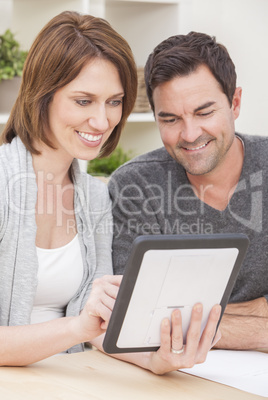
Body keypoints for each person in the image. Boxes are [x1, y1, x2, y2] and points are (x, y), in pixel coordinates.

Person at [0, 12, 221, 373]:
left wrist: (155, 359)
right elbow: (82, 326)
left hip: (71, 380)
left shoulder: (93, 197)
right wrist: (76, 328)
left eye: (114, 101)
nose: (102, 122)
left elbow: (98, 324)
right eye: (84, 101)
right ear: (43, 95)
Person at [109, 31, 268, 351]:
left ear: (234, 103)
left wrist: (184, 318)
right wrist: (259, 313)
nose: (190, 134)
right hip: (169, 378)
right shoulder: (135, 187)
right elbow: (137, 322)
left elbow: (164, 320)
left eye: (204, 112)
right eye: (170, 119)